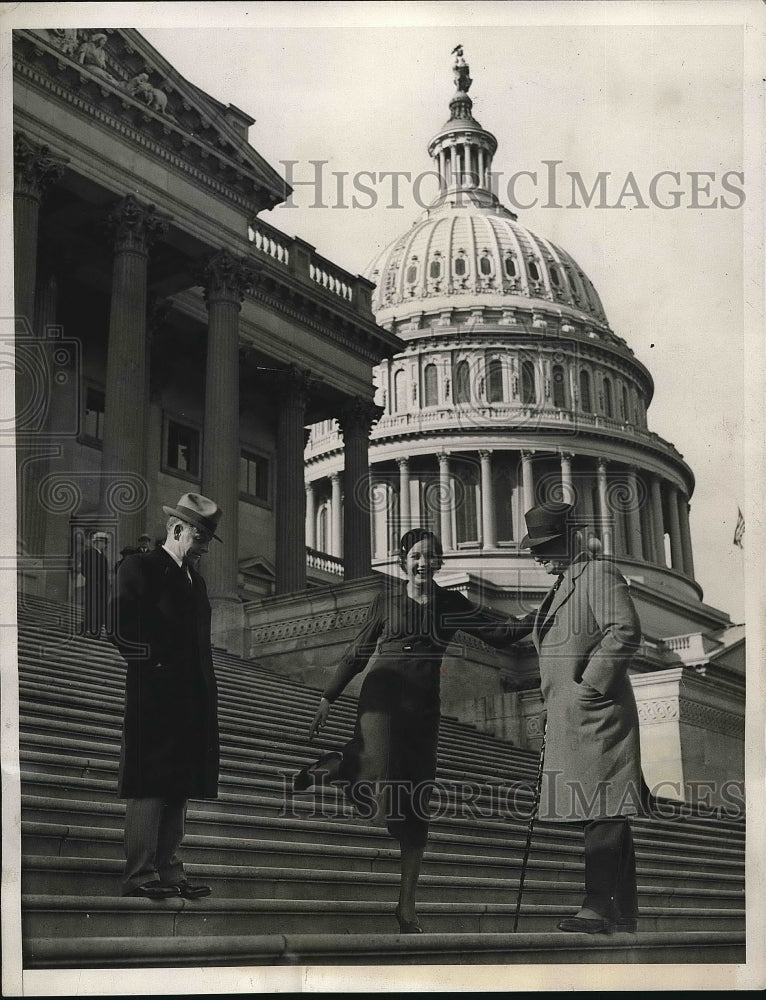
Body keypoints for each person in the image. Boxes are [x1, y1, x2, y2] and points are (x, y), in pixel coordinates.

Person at [294, 528, 529, 934]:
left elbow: (500, 634)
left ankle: (406, 906)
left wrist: (544, 614)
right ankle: (343, 765)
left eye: (430, 556)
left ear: (438, 563)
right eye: (415, 556)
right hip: (382, 697)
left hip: (422, 710)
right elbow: (358, 651)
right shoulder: (386, 600)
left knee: (417, 800)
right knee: (376, 768)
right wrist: (327, 697)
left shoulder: (450, 604)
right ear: (403, 560)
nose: (423, 563)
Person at [518, 501, 643, 934]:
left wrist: (588, 686)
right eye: (535, 545)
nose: (537, 554)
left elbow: (624, 629)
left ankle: (597, 906)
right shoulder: (567, 580)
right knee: (607, 807)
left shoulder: (597, 573)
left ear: (572, 537)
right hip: (578, 716)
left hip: (597, 713)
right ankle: (623, 911)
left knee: (602, 807)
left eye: (546, 545)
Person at [110, 492, 222, 900]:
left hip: (191, 701)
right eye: (201, 538)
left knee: (179, 785)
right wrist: (154, 668)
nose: (206, 548)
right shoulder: (139, 566)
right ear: (177, 530)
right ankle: (138, 875)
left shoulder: (197, 580)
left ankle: (171, 872)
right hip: (154, 698)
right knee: (148, 785)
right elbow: (120, 628)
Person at [79, 531, 110, 638]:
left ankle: (95, 634)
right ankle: (83, 628)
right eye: (104, 542)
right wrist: (93, 581)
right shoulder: (88, 553)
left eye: (106, 543)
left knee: (101, 612)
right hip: (92, 587)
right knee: (92, 610)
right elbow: (84, 569)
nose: (105, 545)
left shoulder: (104, 558)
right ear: (97, 542)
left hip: (102, 589)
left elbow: (105, 575)